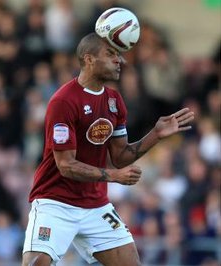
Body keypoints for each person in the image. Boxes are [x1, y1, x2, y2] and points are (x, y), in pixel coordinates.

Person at [21, 33, 195, 266]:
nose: (119, 60)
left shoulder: (114, 101)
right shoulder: (63, 101)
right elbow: (66, 165)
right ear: (89, 59)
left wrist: (156, 134)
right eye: (111, 54)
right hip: (56, 201)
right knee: (36, 264)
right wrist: (114, 176)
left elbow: (120, 157)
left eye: (119, 54)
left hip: (95, 204)